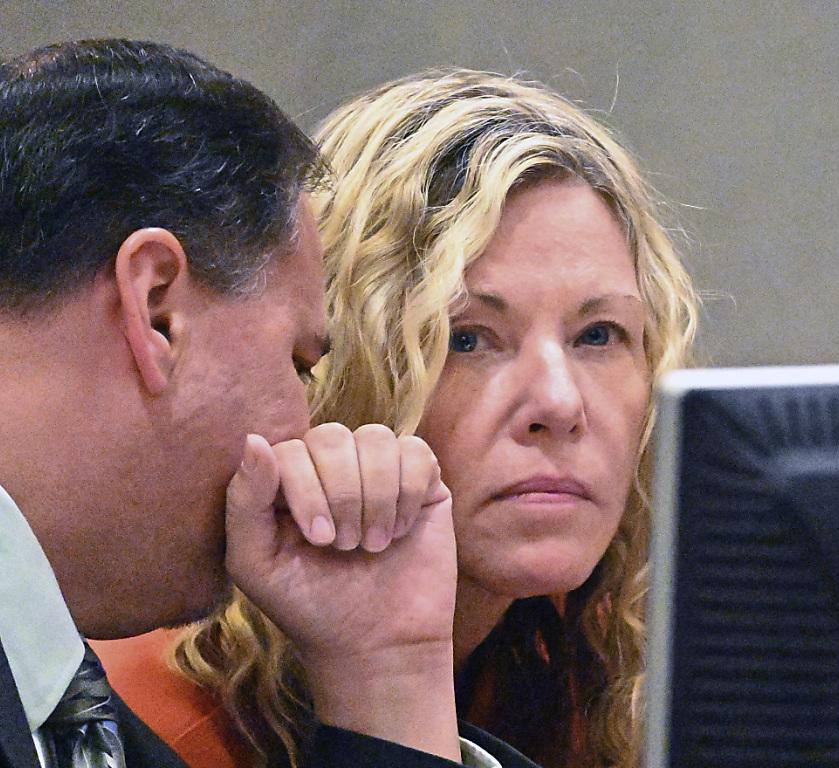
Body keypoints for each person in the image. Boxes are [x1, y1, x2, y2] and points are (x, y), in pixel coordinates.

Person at [94, 70, 700, 768]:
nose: (560, 405)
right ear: (332, 363)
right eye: (465, 339)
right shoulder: (150, 722)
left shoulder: (598, 666)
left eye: (598, 335)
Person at [0, 41, 534, 768]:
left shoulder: (64, 705)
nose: (304, 433)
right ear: (157, 311)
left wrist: (386, 677)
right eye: (299, 365)